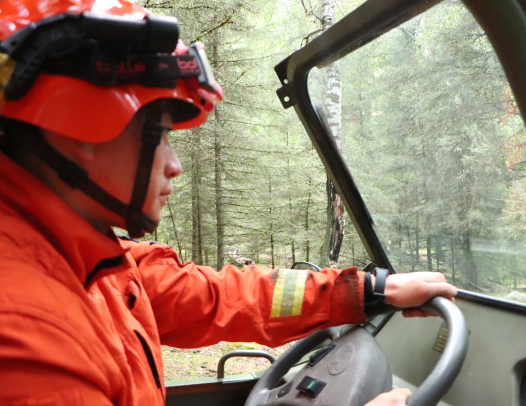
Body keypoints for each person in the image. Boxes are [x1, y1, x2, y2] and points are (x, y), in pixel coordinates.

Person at [0, 1, 458, 405]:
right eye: (161, 134)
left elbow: (219, 296)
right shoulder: (25, 336)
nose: (175, 165)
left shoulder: (89, 264)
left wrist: (368, 291)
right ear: (78, 130)